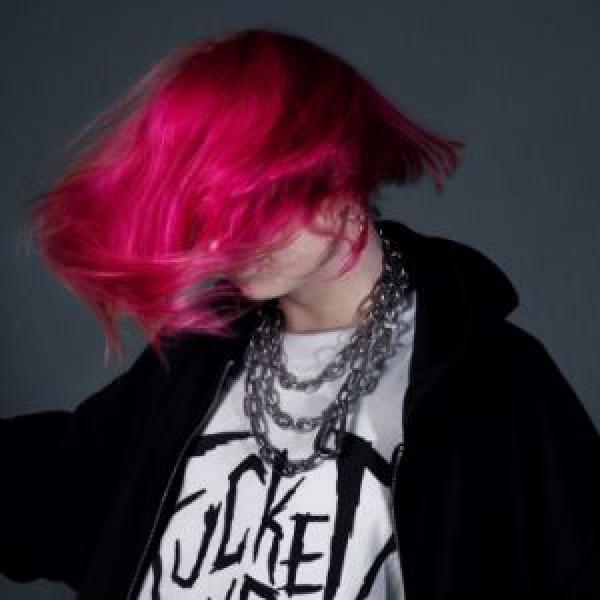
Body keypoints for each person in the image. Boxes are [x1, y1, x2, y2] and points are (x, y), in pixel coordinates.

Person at [2, 27, 599, 600]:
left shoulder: (492, 383)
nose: (220, 239)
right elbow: (60, 496)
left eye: (251, 205)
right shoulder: (194, 365)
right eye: (204, 209)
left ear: (338, 177)